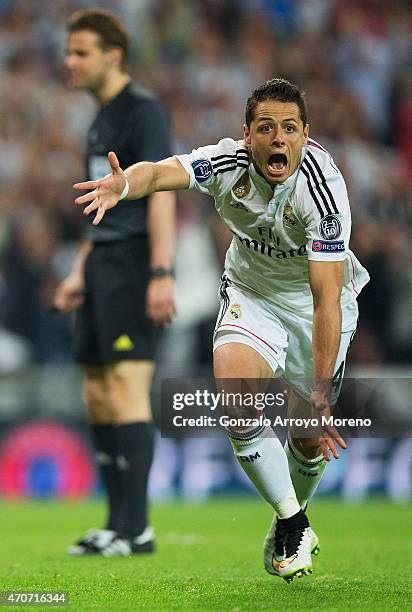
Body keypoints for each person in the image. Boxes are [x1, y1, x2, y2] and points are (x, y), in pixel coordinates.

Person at [72, 78, 369, 580]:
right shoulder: (227, 163)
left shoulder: (323, 190)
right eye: (266, 128)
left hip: (312, 307)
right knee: (235, 395)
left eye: (290, 129)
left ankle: (287, 518)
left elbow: (324, 299)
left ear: (305, 135)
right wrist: (124, 185)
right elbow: (162, 173)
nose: (278, 139)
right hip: (251, 296)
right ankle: (294, 519)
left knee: (307, 438)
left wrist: (320, 392)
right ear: (247, 135)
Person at [54, 9, 176, 557]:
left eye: (80, 51)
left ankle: (138, 528)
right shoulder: (99, 118)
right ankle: (115, 523)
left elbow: (162, 194)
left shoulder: (143, 112)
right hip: (101, 265)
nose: (69, 61)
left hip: (133, 266)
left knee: (127, 387)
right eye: (68, 51)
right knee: (98, 393)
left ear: (113, 55)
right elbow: (98, 211)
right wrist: (79, 270)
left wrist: (161, 272)